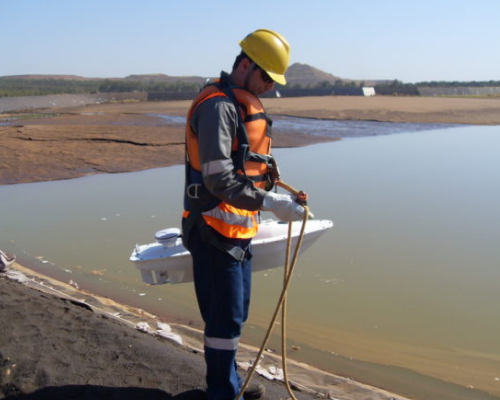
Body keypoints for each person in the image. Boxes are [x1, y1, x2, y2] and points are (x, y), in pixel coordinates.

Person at [182, 29, 308, 400]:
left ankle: (229, 385)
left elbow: (247, 169)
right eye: (267, 76)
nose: (269, 86)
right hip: (211, 230)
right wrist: (271, 204)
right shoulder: (218, 107)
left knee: (235, 315)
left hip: (236, 231)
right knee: (223, 320)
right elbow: (219, 178)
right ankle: (222, 393)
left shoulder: (236, 105)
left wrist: (279, 196)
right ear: (246, 65)